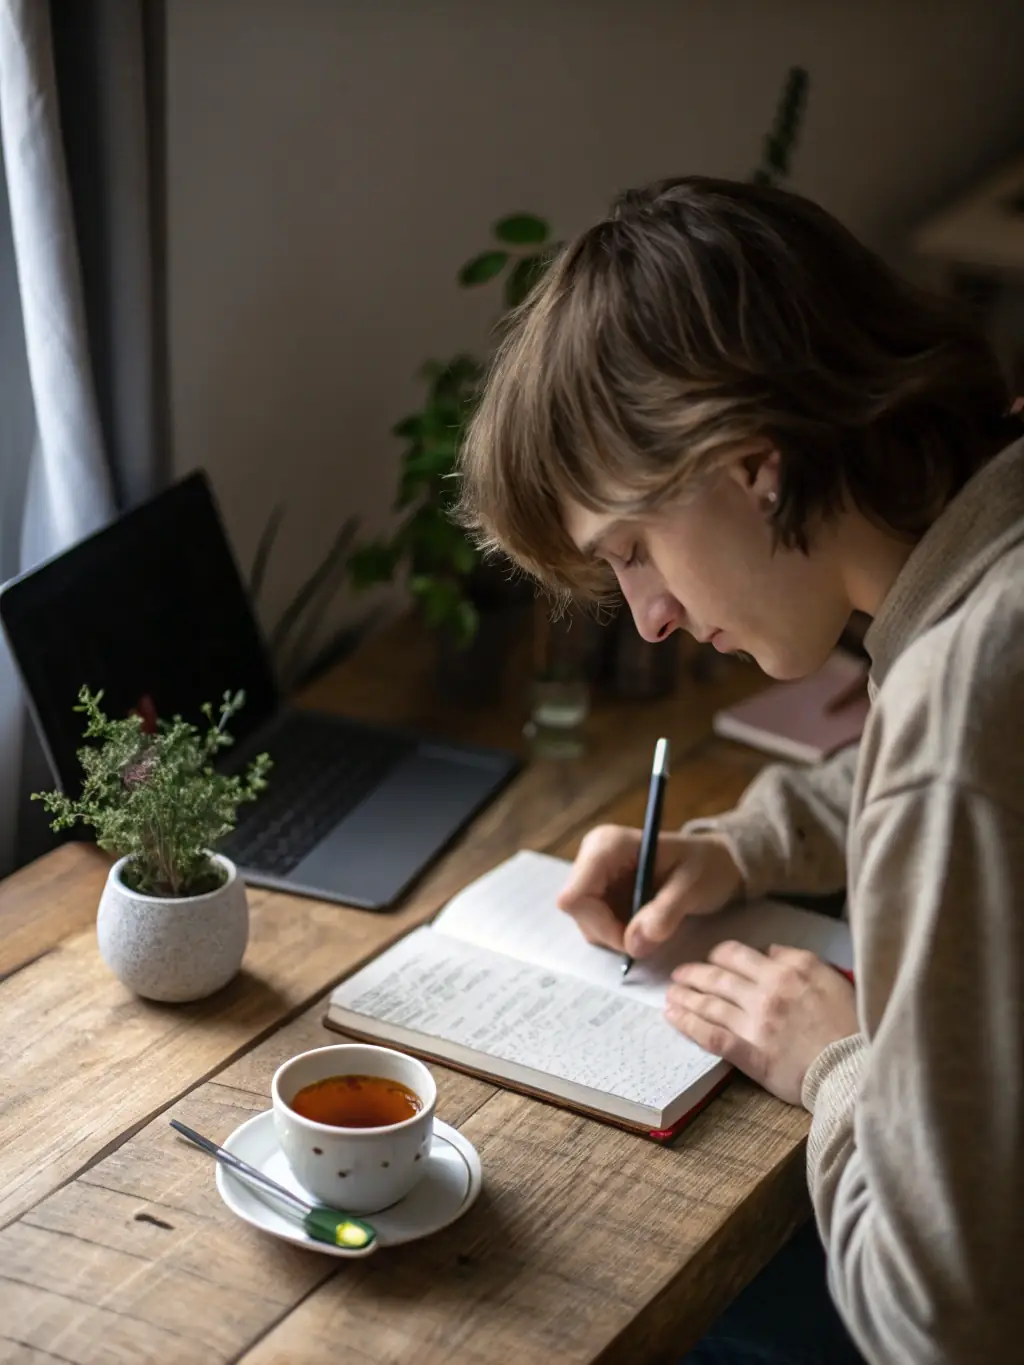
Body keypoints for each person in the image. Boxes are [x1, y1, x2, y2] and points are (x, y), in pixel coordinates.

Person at [456, 175, 1024, 1364]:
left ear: (754, 465)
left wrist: (839, 1062)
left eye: (632, 549)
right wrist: (745, 845)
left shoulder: (956, 709)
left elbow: (942, 1324)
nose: (650, 618)